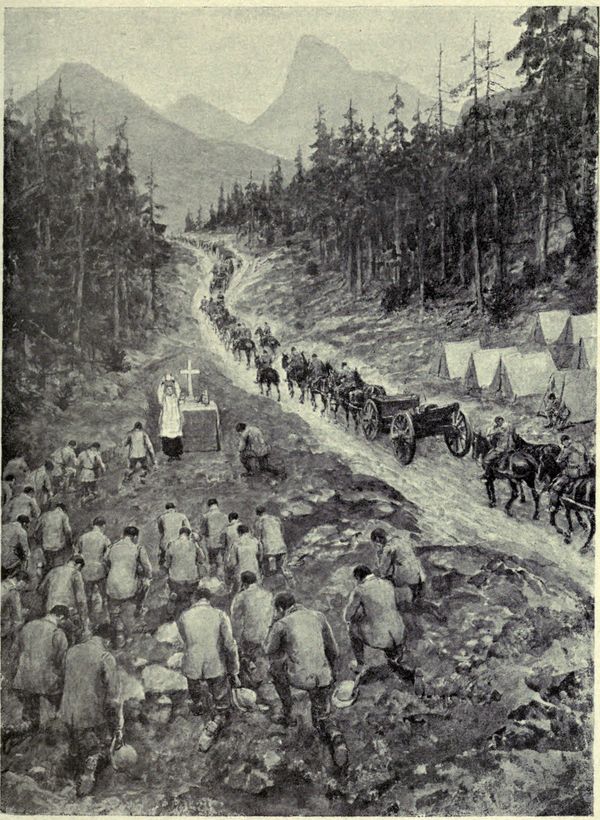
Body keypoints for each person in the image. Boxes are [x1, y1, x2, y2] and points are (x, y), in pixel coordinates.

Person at [265, 591, 348, 767]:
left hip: (301, 678)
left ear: (280, 608)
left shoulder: (281, 624)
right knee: (321, 713)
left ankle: (288, 712)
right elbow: (334, 650)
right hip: (323, 677)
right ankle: (335, 736)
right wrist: (332, 673)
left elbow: (269, 650)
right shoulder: (318, 616)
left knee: (274, 668)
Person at [59, 622, 122, 797]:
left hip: (67, 711)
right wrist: (117, 725)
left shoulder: (72, 651)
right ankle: (88, 775)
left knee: (77, 744)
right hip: (91, 715)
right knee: (100, 746)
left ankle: (71, 774)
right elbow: (113, 696)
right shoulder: (105, 657)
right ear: (107, 640)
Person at [177, 586, 240, 740]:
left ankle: (197, 703)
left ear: (194, 598)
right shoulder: (220, 615)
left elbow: (184, 640)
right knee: (220, 688)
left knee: (193, 682)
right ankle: (219, 715)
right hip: (215, 664)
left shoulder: (184, 616)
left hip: (192, 663)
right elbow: (230, 644)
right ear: (209, 599)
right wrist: (234, 670)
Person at [344, 565, 412, 682]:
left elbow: (347, 615)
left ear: (358, 577)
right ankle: (396, 654)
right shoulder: (388, 583)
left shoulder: (360, 590)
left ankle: (360, 665)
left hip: (381, 638)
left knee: (352, 628)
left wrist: (355, 618)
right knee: (387, 619)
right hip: (399, 632)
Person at [13, 604, 70, 731]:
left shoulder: (27, 627)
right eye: (63, 621)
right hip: (46, 683)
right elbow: (62, 662)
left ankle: (28, 729)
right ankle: (51, 726)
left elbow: (16, 651)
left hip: (23, 680)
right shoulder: (58, 633)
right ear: (60, 616)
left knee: (30, 717)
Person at [105, 526, 153, 647]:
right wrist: (147, 576)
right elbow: (147, 568)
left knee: (115, 609)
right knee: (146, 583)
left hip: (111, 586)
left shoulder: (112, 547)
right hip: (128, 588)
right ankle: (138, 609)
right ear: (135, 537)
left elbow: (105, 561)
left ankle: (118, 635)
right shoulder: (137, 548)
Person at [231, 571, 273, 689]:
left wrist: (236, 639)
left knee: (246, 657)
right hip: (266, 634)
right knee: (261, 657)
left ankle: (251, 683)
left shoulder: (241, 596)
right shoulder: (268, 594)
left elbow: (235, 618)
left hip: (250, 637)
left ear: (243, 583)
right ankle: (264, 678)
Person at [38, 555, 88, 640]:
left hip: (49, 611)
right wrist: (84, 621)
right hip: (67, 613)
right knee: (79, 635)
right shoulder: (75, 573)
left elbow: (40, 589)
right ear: (78, 565)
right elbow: (81, 599)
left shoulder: (53, 570)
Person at [164, 526, 208, 618]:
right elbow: (202, 559)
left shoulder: (171, 544)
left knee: (173, 587)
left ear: (180, 534)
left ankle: (172, 602)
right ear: (188, 535)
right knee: (191, 593)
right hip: (191, 580)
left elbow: (167, 563)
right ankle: (192, 604)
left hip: (176, 580)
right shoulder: (193, 544)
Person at [75, 517, 111, 616]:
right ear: (103, 526)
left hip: (85, 570)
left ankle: (88, 616)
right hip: (99, 570)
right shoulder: (104, 538)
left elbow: (76, 554)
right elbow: (108, 555)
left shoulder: (83, 537)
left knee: (87, 596)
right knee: (104, 595)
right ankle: (105, 615)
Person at [548, 434, 590, 510]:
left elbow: (559, 460)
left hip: (573, 473)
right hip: (584, 471)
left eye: (563, 442)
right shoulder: (581, 445)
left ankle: (554, 506)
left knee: (555, 487)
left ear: (564, 442)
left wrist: (562, 451)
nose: (563, 443)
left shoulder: (567, 449)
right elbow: (587, 457)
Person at [253, 506, 293, 583]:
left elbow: (257, 538)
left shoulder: (259, 522)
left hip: (269, 551)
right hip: (281, 546)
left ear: (257, 514)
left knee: (271, 573)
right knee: (284, 569)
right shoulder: (276, 519)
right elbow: (282, 532)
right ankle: (291, 585)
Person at [1, 570, 30, 668]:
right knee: (19, 625)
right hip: (2, 626)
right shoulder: (14, 592)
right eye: (24, 585)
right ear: (21, 582)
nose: (23, 589)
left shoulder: (2, 584)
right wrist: (24, 613)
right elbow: (18, 617)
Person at [34, 501, 73, 569]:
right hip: (58, 546)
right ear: (63, 509)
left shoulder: (45, 515)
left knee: (47, 565)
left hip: (45, 546)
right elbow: (68, 531)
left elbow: (36, 530)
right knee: (58, 567)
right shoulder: (63, 515)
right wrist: (70, 542)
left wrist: (39, 543)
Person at [228, 525, 261, 592]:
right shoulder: (255, 541)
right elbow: (260, 556)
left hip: (242, 573)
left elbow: (233, 563)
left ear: (239, 533)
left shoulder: (236, 543)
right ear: (248, 531)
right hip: (254, 571)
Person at [157, 375, 183, 461]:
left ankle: (176, 455)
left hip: (175, 420)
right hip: (167, 420)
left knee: (176, 438)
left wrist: (174, 382)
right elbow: (159, 393)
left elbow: (178, 390)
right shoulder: (163, 399)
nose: (169, 391)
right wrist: (162, 383)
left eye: (171, 389)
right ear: (166, 391)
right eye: (168, 389)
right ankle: (170, 456)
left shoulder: (175, 398)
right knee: (168, 438)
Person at [200, 498, 229, 578]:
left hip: (211, 543)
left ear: (208, 506)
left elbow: (203, 531)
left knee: (212, 563)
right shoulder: (225, 516)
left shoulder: (206, 516)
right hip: (222, 542)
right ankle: (221, 581)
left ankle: (213, 581)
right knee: (220, 563)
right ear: (217, 505)